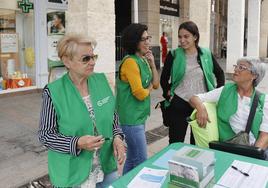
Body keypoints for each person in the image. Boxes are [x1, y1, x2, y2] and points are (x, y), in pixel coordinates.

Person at [38, 34, 126, 187]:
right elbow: (46, 136)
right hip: (73, 174)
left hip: (106, 167)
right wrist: (77, 143)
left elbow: (113, 117)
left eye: (94, 57)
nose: (92, 62)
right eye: (86, 58)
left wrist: (118, 137)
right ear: (67, 61)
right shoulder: (53, 92)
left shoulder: (103, 81)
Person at [160, 21, 225, 144]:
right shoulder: (174, 55)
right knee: (175, 142)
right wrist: (169, 94)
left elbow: (220, 73)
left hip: (201, 105)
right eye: (180, 37)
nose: (182, 40)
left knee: (198, 144)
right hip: (179, 103)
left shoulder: (206, 54)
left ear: (195, 37)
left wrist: (217, 94)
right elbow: (164, 78)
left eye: (186, 36)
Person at [190, 57, 268, 157]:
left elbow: (265, 135)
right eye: (236, 66)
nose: (235, 70)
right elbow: (194, 98)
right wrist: (200, 108)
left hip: (253, 150)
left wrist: (252, 156)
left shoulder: (264, 100)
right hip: (226, 148)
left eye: (241, 67)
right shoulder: (225, 90)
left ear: (254, 75)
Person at [116, 23, 159, 174]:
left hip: (139, 116)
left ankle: (124, 183)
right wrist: (147, 89)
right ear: (134, 42)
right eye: (143, 39)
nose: (148, 42)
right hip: (130, 119)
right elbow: (140, 93)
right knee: (141, 161)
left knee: (133, 157)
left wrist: (153, 64)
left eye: (148, 38)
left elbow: (156, 84)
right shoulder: (130, 62)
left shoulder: (142, 60)